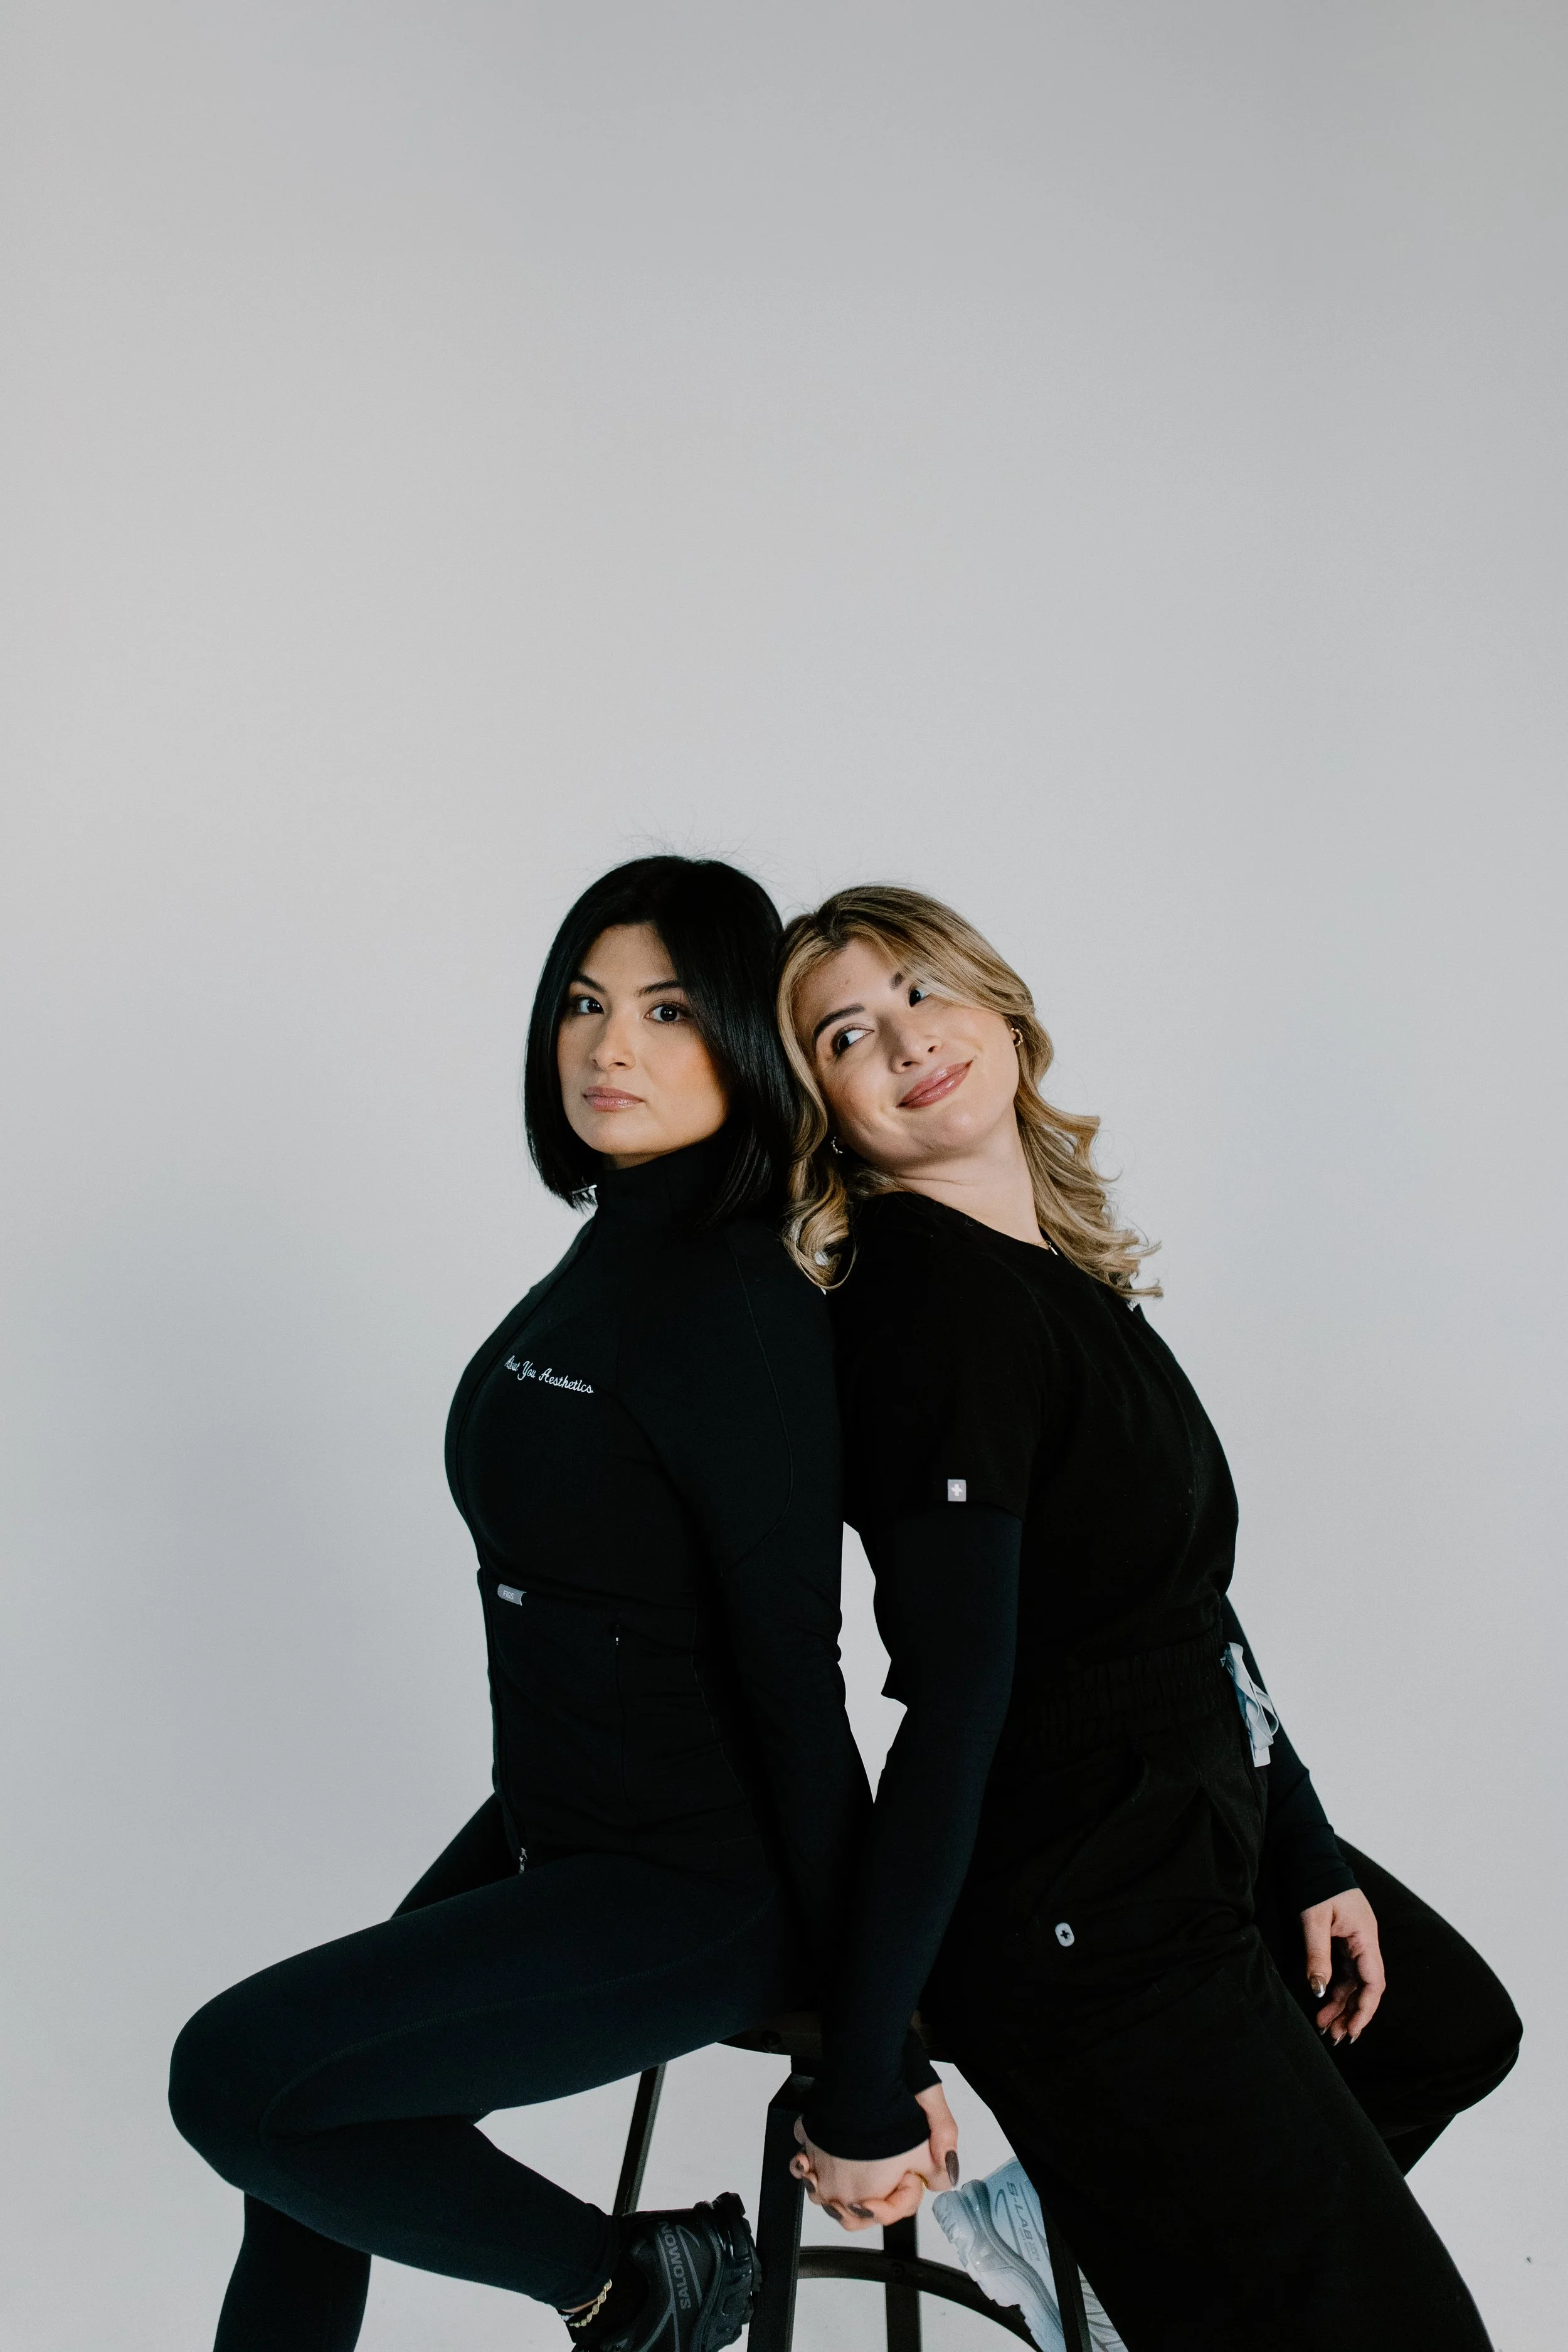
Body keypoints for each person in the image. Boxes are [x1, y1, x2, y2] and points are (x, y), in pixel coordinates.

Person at [169, 855, 921, 2352]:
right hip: (555, 1823)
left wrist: (872, 2042)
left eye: (661, 1010)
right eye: (583, 1003)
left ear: (744, 1041)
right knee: (299, 2134)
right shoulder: (618, 1246)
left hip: (695, 1888)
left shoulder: (736, 1303)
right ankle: (629, 2282)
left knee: (238, 2077)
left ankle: (636, 2285)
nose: (606, 1045)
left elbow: (793, 1671)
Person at [776, 882, 1521, 2351]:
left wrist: (1298, 1849)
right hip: (1077, 1897)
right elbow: (954, 1704)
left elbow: (1188, 1608)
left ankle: (1082, 2254)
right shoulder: (933, 1311)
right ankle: (1123, 2270)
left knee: (1440, 2025)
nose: (907, 1038)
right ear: (826, 1110)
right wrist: (863, 2066)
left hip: (1184, 1810)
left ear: (996, 1005)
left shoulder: (1054, 1277)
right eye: (847, 1034)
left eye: (923, 990)